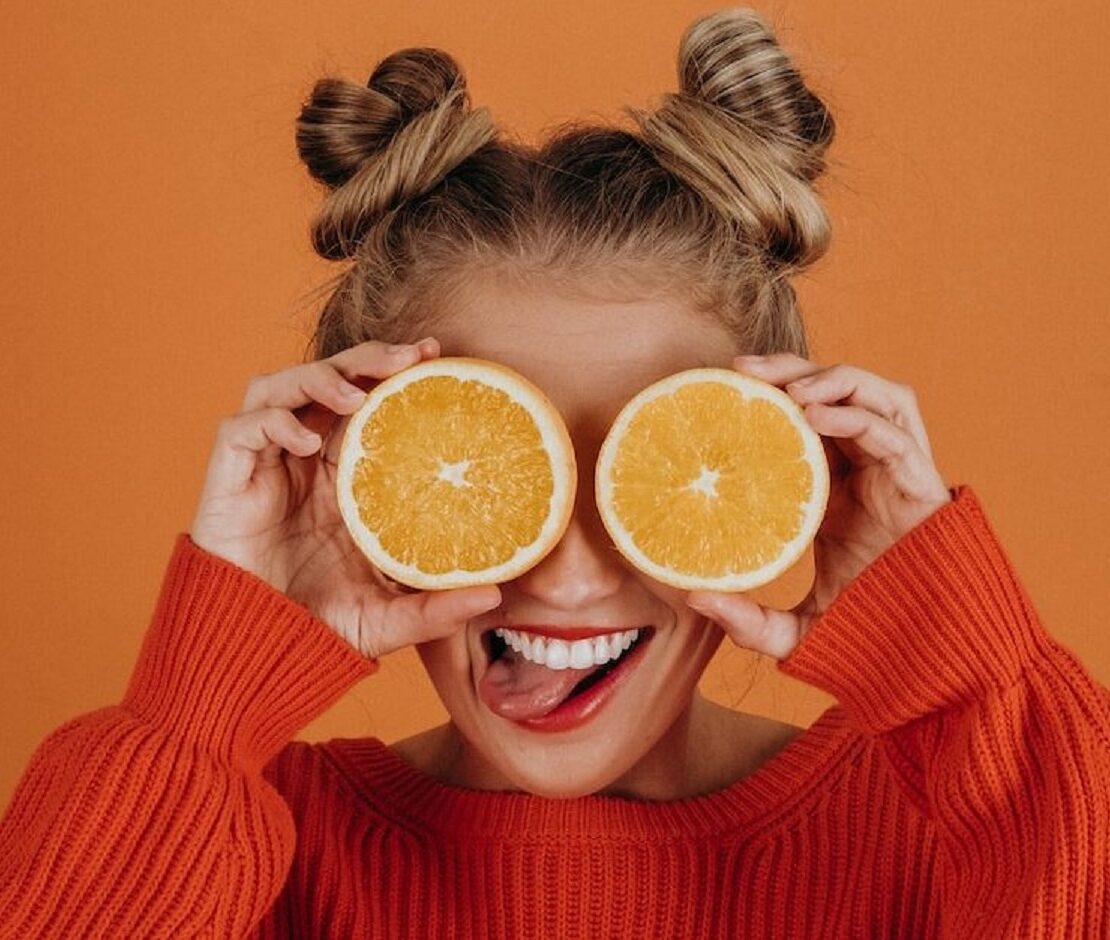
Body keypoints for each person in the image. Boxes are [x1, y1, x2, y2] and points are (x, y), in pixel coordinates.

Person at [1, 7, 1107, 937]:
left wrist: (974, 685)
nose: (573, 579)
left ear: (783, 472)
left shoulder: (950, 843)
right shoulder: (241, 851)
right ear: (354, 479)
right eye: (489, 473)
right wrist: (201, 709)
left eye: (647, 469)